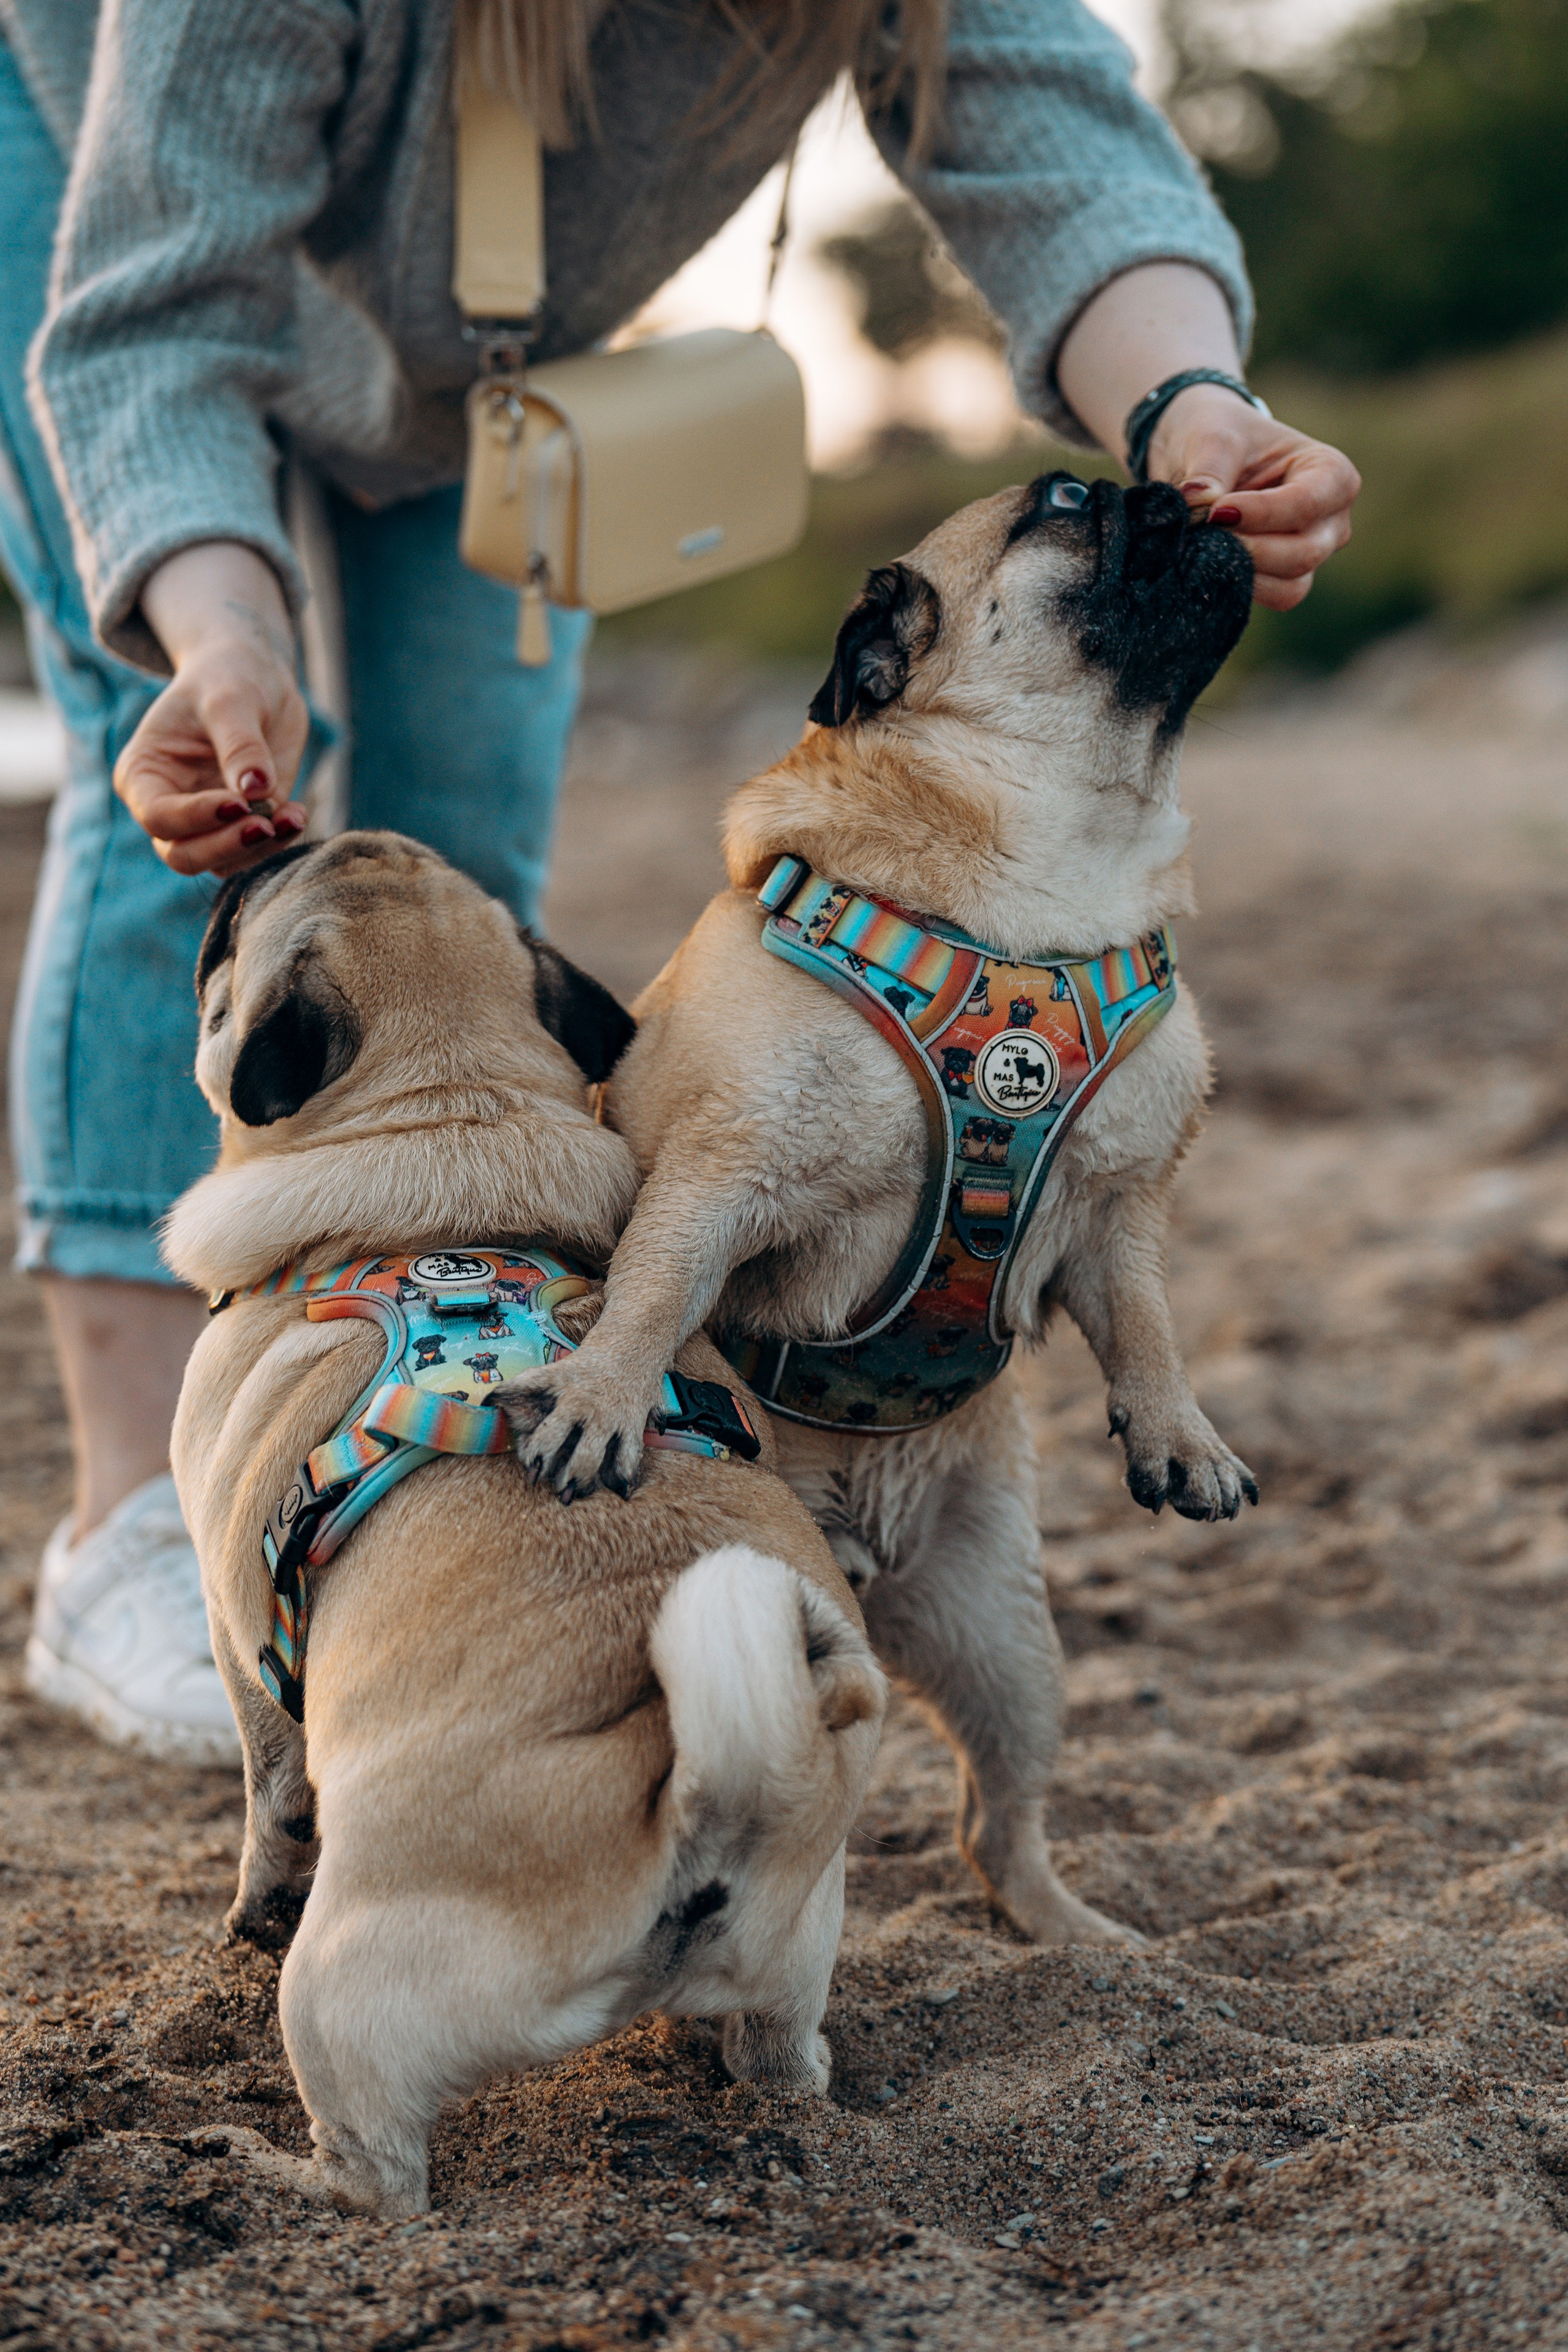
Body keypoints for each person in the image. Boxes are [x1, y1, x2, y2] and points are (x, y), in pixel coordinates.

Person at [0, 0, 1359, 1763]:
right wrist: (228, 631)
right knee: (195, 784)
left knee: (463, 875)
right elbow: (151, 326)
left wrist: (1195, 412)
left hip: (506, 361)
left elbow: (1054, 140)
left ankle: (455, 1433)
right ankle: (121, 1523)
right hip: (122, 227)